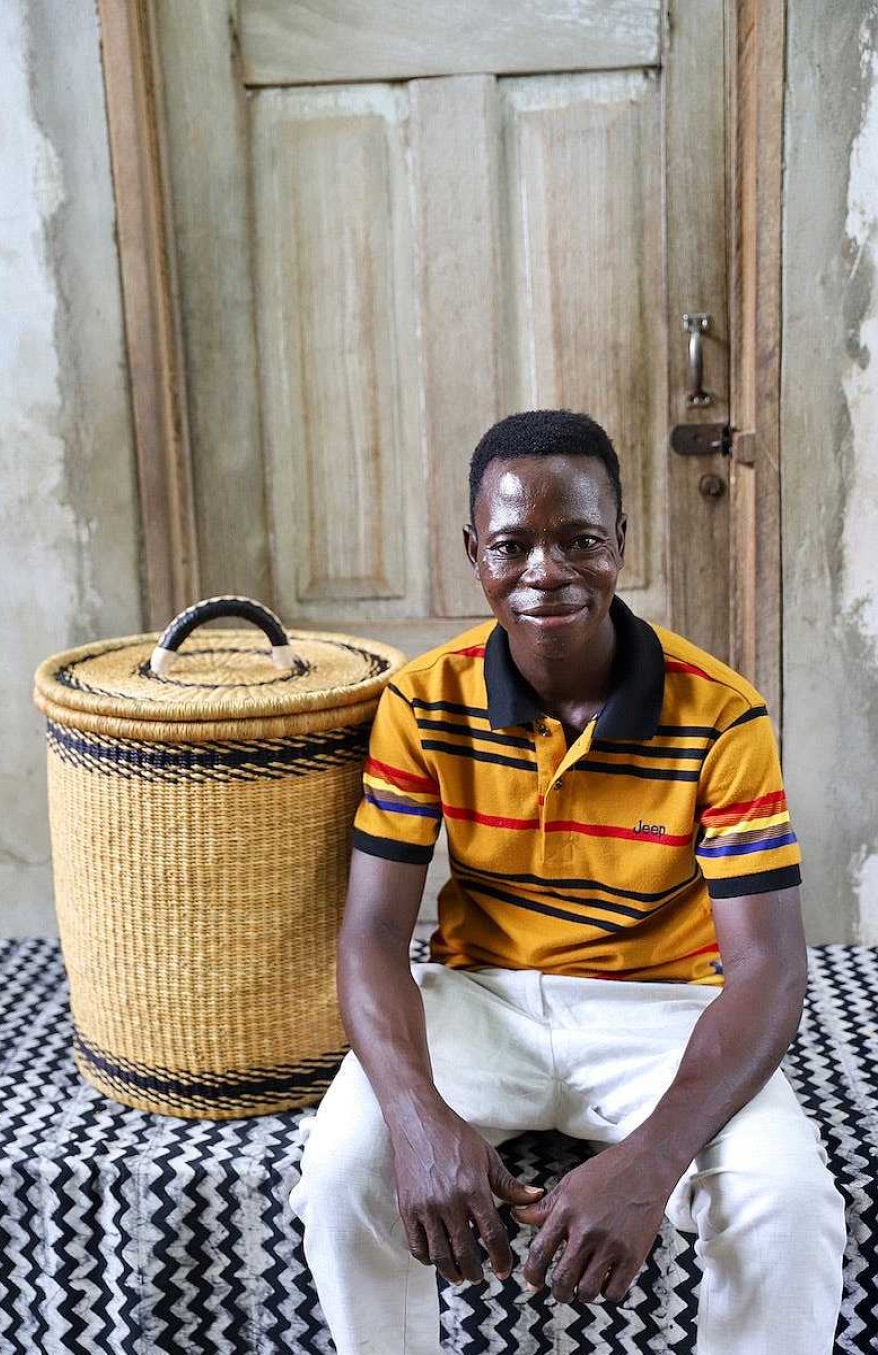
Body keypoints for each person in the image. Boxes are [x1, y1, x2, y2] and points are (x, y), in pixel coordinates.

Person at [288, 409, 846, 1354]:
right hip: (480, 996)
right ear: (474, 553)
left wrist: (651, 1161)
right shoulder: (422, 699)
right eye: (512, 544)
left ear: (620, 544)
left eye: (579, 539)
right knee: (344, 1176)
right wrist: (419, 1117)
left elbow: (769, 971)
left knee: (789, 1207)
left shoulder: (721, 713)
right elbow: (372, 936)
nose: (545, 570)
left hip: (668, 1009)